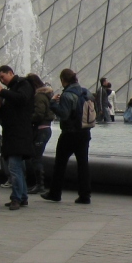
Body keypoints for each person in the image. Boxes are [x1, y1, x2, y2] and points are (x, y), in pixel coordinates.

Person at [43, 68, 93, 204]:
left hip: (69, 133)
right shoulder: (85, 91)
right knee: (83, 164)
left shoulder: (67, 95)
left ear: (63, 80)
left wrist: (53, 103)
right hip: (85, 132)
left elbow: (64, 115)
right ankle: (85, 195)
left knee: (60, 164)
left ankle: (55, 193)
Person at [0, 65, 36, 211]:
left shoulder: (23, 84)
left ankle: (16, 198)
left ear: (10, 73)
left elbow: (22, 99)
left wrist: (3, 92)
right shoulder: (11, 90)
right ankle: (22, 196)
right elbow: (8, 114)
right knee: (17, 167)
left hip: (19, 133)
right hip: (12, 133)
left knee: (14, 167)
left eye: (2, 77)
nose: (2, 80)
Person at [26, 74, 53, 194]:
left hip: (41, 129)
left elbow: (39, 114)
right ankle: (38, 184)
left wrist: (26, 118)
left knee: (36, 157)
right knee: (36, 156)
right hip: (45, 128)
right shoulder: (45, 95)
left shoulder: (39, 96)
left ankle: (40, 185)